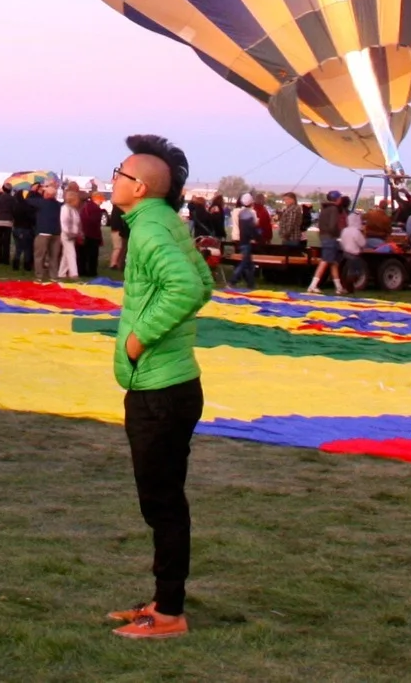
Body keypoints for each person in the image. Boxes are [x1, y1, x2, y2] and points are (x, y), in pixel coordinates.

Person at [106, 133, 211, 641]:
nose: (112, 180)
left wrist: (138, 339)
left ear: (140, 187)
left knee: (162, 502)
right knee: (165, 499)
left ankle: (169, 614)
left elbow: (188, 288)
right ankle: (163, 599)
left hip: (159, 390)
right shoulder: (167, 223)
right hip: (176, 384)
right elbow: (205, 283)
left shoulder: (149, 231)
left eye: (120, 173)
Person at [306, 196, 341, 293]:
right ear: (337, 199)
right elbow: (332, 225)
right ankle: (312, 285)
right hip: (330, 237)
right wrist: (337, 234)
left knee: (333, 262)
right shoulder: (334, 209)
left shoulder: (324, 209)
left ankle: (339, 287)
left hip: (323, 236)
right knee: (325, 261)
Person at [33, 180, 65, 281]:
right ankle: (53, 276)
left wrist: (34, 191)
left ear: (46, 194)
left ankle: (39, 276)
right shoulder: (58, 205)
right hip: (56, 233)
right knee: (54, 256)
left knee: (39, 256)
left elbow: (28, 200)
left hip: (43, 232)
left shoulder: (41, 203)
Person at [229, 195, 260, 289]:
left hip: (236, 236)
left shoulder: (235, 211)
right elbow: (252, 227)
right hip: (245, 239)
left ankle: (251, 284)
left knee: (248, 263)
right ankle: (232, 281)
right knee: (244, 262)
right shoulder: (251, 213)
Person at [337, 204, 367, 294]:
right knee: (355, 272)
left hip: (345, 254)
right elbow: (363, 243)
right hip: (354, 255)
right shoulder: (356, 232)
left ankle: (346, 287)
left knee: (346, 271)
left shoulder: (345, 230)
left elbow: (341, 241)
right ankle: (349, 288)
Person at [78, 184, 105, 279]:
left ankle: (82, 270)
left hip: (84, 233)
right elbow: (96, 224)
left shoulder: (86, 206)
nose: (102, 201)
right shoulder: (95, 209)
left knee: (83, 255)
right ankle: (91, 271)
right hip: (92, 234)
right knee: (92, 255)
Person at [60, 185, 85, 279]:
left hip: (73, 235)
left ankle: (61, 273)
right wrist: (68, 233)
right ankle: (74, 274)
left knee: (66, 255)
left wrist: (79, 233)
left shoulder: (74, 210)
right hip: (67, 234)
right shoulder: (65, 208)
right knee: (71, 253)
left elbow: (77, 223)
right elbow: (64, 222)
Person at [12, 182, 38, 272]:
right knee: (27, 248)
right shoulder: (27, 207)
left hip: (16, 228)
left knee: (18, 247)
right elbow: (31, 218)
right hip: (25, 229)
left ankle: (16, 264)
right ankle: (26, 265)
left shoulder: (15, 206)